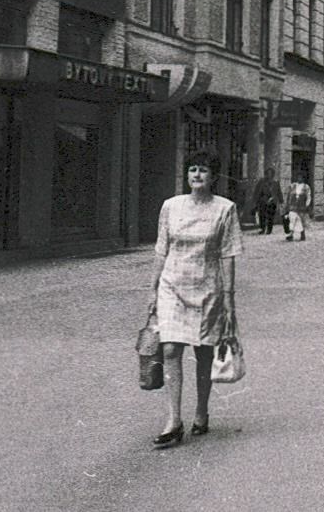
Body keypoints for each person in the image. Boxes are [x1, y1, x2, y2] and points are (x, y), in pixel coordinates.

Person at [147, 149, 242, 449]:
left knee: (203, 353)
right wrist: (152, 290)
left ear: (213, 177)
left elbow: (228, 253)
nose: (196, 175)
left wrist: (228, 296)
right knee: (171, 348)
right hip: (171, 285)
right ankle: (173, 420)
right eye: (192, 170)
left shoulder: (225, 209)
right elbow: (161, 248)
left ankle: (201, 410)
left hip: (207, 288)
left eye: (202, 170)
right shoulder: (170, 207)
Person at [252, 168, 281, 235]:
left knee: (271, 216)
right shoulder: (261, 182)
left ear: (272, 175)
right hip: (263, 201)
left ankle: (269, 229)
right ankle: (262, 228)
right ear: (266, 174)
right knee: (262, 215)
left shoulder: (275, 183)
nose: (269, 175)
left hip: (272, 202)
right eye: (267, 173)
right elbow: (257, 191)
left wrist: (280, 200)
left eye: (270, 174)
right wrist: (255, 200)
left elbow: (279, 192)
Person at [284, 175, 312, 241]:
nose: (299, 178)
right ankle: (291, 234)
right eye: (298, 177)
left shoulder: (306, 187)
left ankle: (302, 233)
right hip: (293, 206)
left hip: (301, 206)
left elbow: (308, 197)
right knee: (292, 219)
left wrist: (307, 205)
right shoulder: (293, 186)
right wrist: (287, 205)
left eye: (301, 177)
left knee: (300, 220)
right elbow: (288, 196)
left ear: (303, 178)